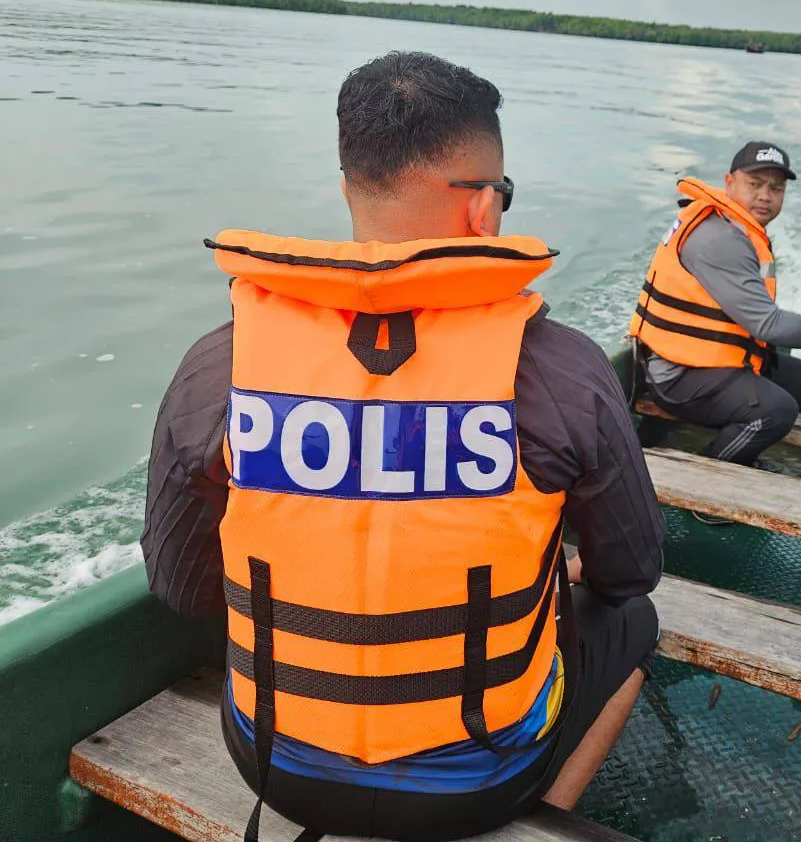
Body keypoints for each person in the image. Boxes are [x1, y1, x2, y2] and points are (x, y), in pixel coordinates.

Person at [141, 51, 665, 842]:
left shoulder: (220, 360)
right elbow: (630, 573)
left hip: (275, 764)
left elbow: (183, 587)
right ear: (486, 207)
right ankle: (539, 816)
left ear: (350, 185)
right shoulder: (563, 368)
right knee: (635, 623)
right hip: (482, 783)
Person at [629, 141, 801, 469]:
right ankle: (708, 478)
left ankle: (733, 432)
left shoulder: (736, 227)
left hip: (711, 357)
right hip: (677, 374)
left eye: (776, 188)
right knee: (775, 411)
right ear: (729, 183)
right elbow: (767, 325)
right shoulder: (719, 239)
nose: (765, 196)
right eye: (754, 184)